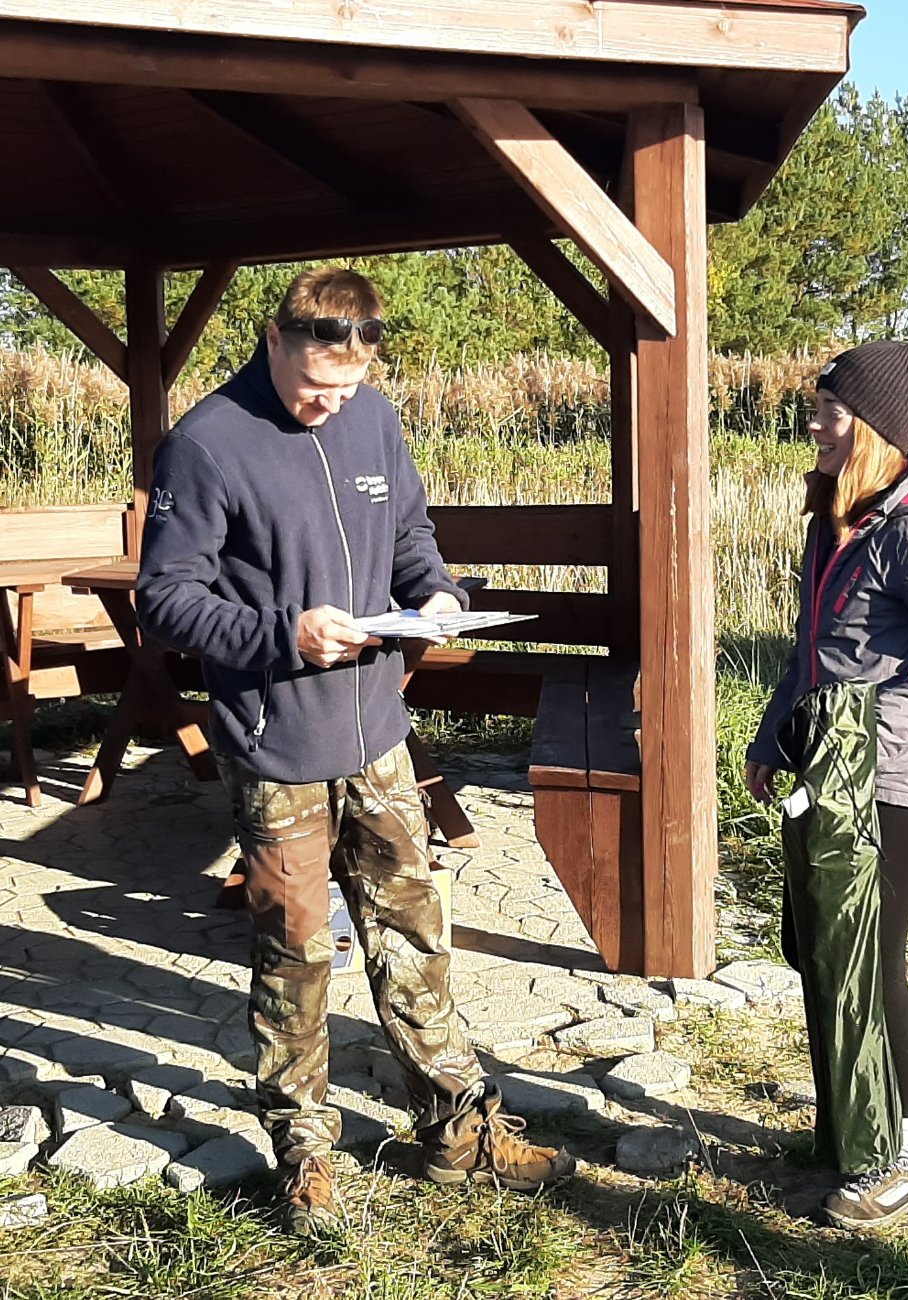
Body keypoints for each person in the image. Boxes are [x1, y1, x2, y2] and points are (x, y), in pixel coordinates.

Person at [137, 266, 574, 1235]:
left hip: (378, 730)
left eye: (345, 390)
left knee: (413, 932)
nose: (327, 405)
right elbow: (164, 599)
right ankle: (305, 1157)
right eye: (312, 387)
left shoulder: (373, 418)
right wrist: (284, 633)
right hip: (275, 739)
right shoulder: (206, 443)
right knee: (294, 953)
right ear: (275, 338)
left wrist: (443, 595)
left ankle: (458, 1134)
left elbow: (410, 534)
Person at [744, 340, 908, 1229]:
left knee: (870, 960)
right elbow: (814, 648)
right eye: (817, 406)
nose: (814, 422)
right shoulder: (837, 517)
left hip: (893, 780)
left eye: (832, 411)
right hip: (830, 766)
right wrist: (776, 738)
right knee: (807, 937)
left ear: (881, 430)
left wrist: (862, 732)